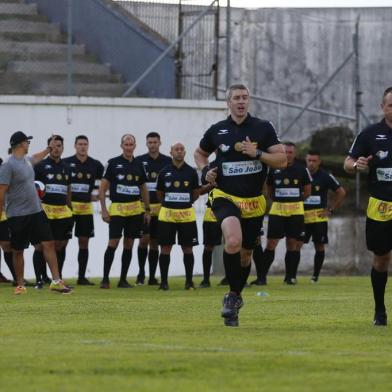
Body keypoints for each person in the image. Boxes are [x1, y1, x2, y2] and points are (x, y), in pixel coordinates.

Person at [194, 83, 286, 327]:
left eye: (245, 97)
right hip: (225, 196)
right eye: (236, 98)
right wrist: (206, 171)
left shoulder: (263, 128)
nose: (241, 101)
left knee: (246, 254)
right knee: (232, 241)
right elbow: (200, 154)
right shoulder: (218, 130)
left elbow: (281, 160)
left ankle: (234, 297)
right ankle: (231, 297)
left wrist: (257, 154)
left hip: (254, 202)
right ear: (229, 102)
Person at [344, 86, 392, 326]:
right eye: (391, 105)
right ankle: (380, 310)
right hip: (381, 206)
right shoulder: (370, 134)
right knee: (381, 258)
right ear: (382, 107)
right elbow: (348, 162)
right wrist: (357, 166)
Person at [0, 131, 71, 294]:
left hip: (37, 212)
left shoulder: (26, 161)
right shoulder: (8, 165)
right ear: (20, 144)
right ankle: (20, 285)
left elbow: (36, 157)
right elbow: (1, 191)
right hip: (17, 215)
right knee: (18, 250)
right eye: (27, 142)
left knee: (48, 243)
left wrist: (48, 148)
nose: (28, 144)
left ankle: (56, 281)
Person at [99, 134, 150, 289]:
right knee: (113, 242)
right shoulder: (113, 163)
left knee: (129, 244)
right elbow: (102, 188)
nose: (128, 147)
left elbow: (143, 188)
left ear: (135, 146)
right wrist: (104, 210)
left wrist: (147, 210)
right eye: (126, 144)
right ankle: (105, 279)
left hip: (135, 210)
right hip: (118, 209)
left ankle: (123, 280)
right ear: (121, 146)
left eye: (131, 144)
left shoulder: (140, 164)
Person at [261, 142, 311, 285]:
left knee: (292, 243)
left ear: (294, 154)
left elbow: (307, 191)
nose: (288, 154)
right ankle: (262, 277)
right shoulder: (274, 168)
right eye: (285, 152)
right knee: (271, 243)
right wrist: (279, 199)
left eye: (290, 152)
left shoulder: (302, 170)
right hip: (278, 210)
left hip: (296, 211)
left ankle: (290, 277)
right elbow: (269, 188)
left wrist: (295, 200)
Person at [156, 142, 200, 290]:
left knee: (188, 248)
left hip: (186, 215)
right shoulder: (164, 172)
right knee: (165, 248)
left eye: (182, 149)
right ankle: (163, 282)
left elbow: (195, 193)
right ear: (171, 152)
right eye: (177, 149)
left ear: (185, 152)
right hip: (167, 215)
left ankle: (189, 282)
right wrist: (170, 204)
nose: (180, 152)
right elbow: (160, 193)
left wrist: (184, 203)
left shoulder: (191, 172)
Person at [63, 135, 104, 285]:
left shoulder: (95, 165)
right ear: (75, 146)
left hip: (86, 209)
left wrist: (96, 195)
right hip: (68, 209)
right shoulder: (66, 162)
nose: (82, 147)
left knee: (84, 242)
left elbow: (104, 182)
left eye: (85, 144)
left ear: (88, 146)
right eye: (80, 144)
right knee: (62, 242)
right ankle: (58, 277)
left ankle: (81, 277)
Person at [299, 150, 346, 282]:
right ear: (305, 161)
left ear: (319, 162)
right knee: (295, 244)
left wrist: (330, 209)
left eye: (314, 161)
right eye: (309, 160)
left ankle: (315, 276)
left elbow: (341, 192)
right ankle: (291, 276)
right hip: (300, 216)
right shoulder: (300, 173)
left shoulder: (325, 176)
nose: (312, 163)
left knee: (319, 245)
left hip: (318, 217)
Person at [34, 135, 73, 288]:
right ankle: (40, 279)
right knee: (41, 246)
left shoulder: (67, 167)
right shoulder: (40, 166)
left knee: (60, 245)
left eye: (59, 146)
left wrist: (69, 206)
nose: (57, 148)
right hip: (45, 211)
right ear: (49, 148)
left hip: (63, 212)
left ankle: (57, 278)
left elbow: (68, 188)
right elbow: (34, 187)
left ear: (63, 148)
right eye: (54, 146)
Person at [135, 132, 171, 286]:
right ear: (146, 144)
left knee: (155, 242)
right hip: (144, 209)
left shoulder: (167, 162)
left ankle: (151, 276)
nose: (152, 145)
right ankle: (141, 273)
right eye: (150, 142)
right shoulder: (139, 161)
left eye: (155, 142)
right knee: (143, 240)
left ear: (160, 143)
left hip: (161, 208)